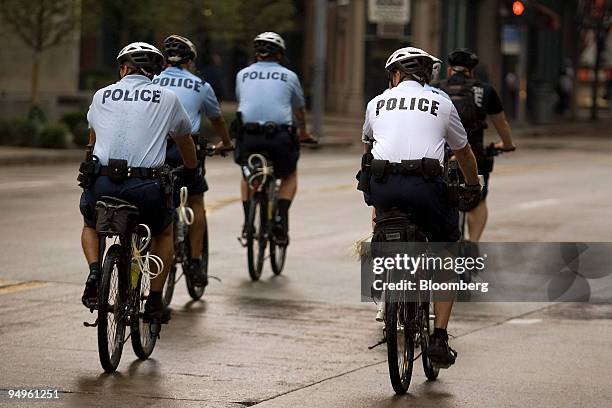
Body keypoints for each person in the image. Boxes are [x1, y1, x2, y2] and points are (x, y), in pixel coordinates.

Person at [360, 46, 481, 367]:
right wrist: (473, 184)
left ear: (396, 75)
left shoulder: (376, 103)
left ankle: (383, 277)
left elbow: (369, 147)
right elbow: (464, 152)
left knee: (381, 213)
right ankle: (439, 337)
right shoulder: (441, 102)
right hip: (426, 187)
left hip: (384, 186)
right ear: (427, 75)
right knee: (446, 250)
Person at [79, 42, 197, 331]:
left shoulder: (101, 95)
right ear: (154, 72)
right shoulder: (167, 97)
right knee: (163, 231)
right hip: (146, 186)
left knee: (91, 223)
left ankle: (95, 272)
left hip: (103, 183)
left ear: (122, 68)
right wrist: (191, 171)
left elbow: (93, 137)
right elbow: (184, 139)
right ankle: (155, 300)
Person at [155, 34, 233, 286]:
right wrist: (226, 142)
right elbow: (217, 119)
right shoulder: (201, 85)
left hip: (154, 148)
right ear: (190, 61)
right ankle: (196, 263)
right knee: (196, 200)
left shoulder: (151, 81)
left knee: (154, 198)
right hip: (186, 150)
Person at [234, 32, 316, 244]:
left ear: (256, 54)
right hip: (278, 136)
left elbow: (243, 101)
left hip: (248, 136)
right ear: (280, 54)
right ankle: (279, 216)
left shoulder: (242, 74)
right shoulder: (289, 76)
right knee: (289, 174)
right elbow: (299, 110)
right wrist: (304, 132)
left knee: (248, 174)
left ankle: (247, 222)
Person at [439, 49, 515, 242]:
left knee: (439, 197)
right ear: (472, 72)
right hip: (473, 154)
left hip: (442, 156)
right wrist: (507, 144)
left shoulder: (436, 89)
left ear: (449, 70)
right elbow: (501, 124)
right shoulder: (485, 90)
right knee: (477, 200)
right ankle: (472, 246)